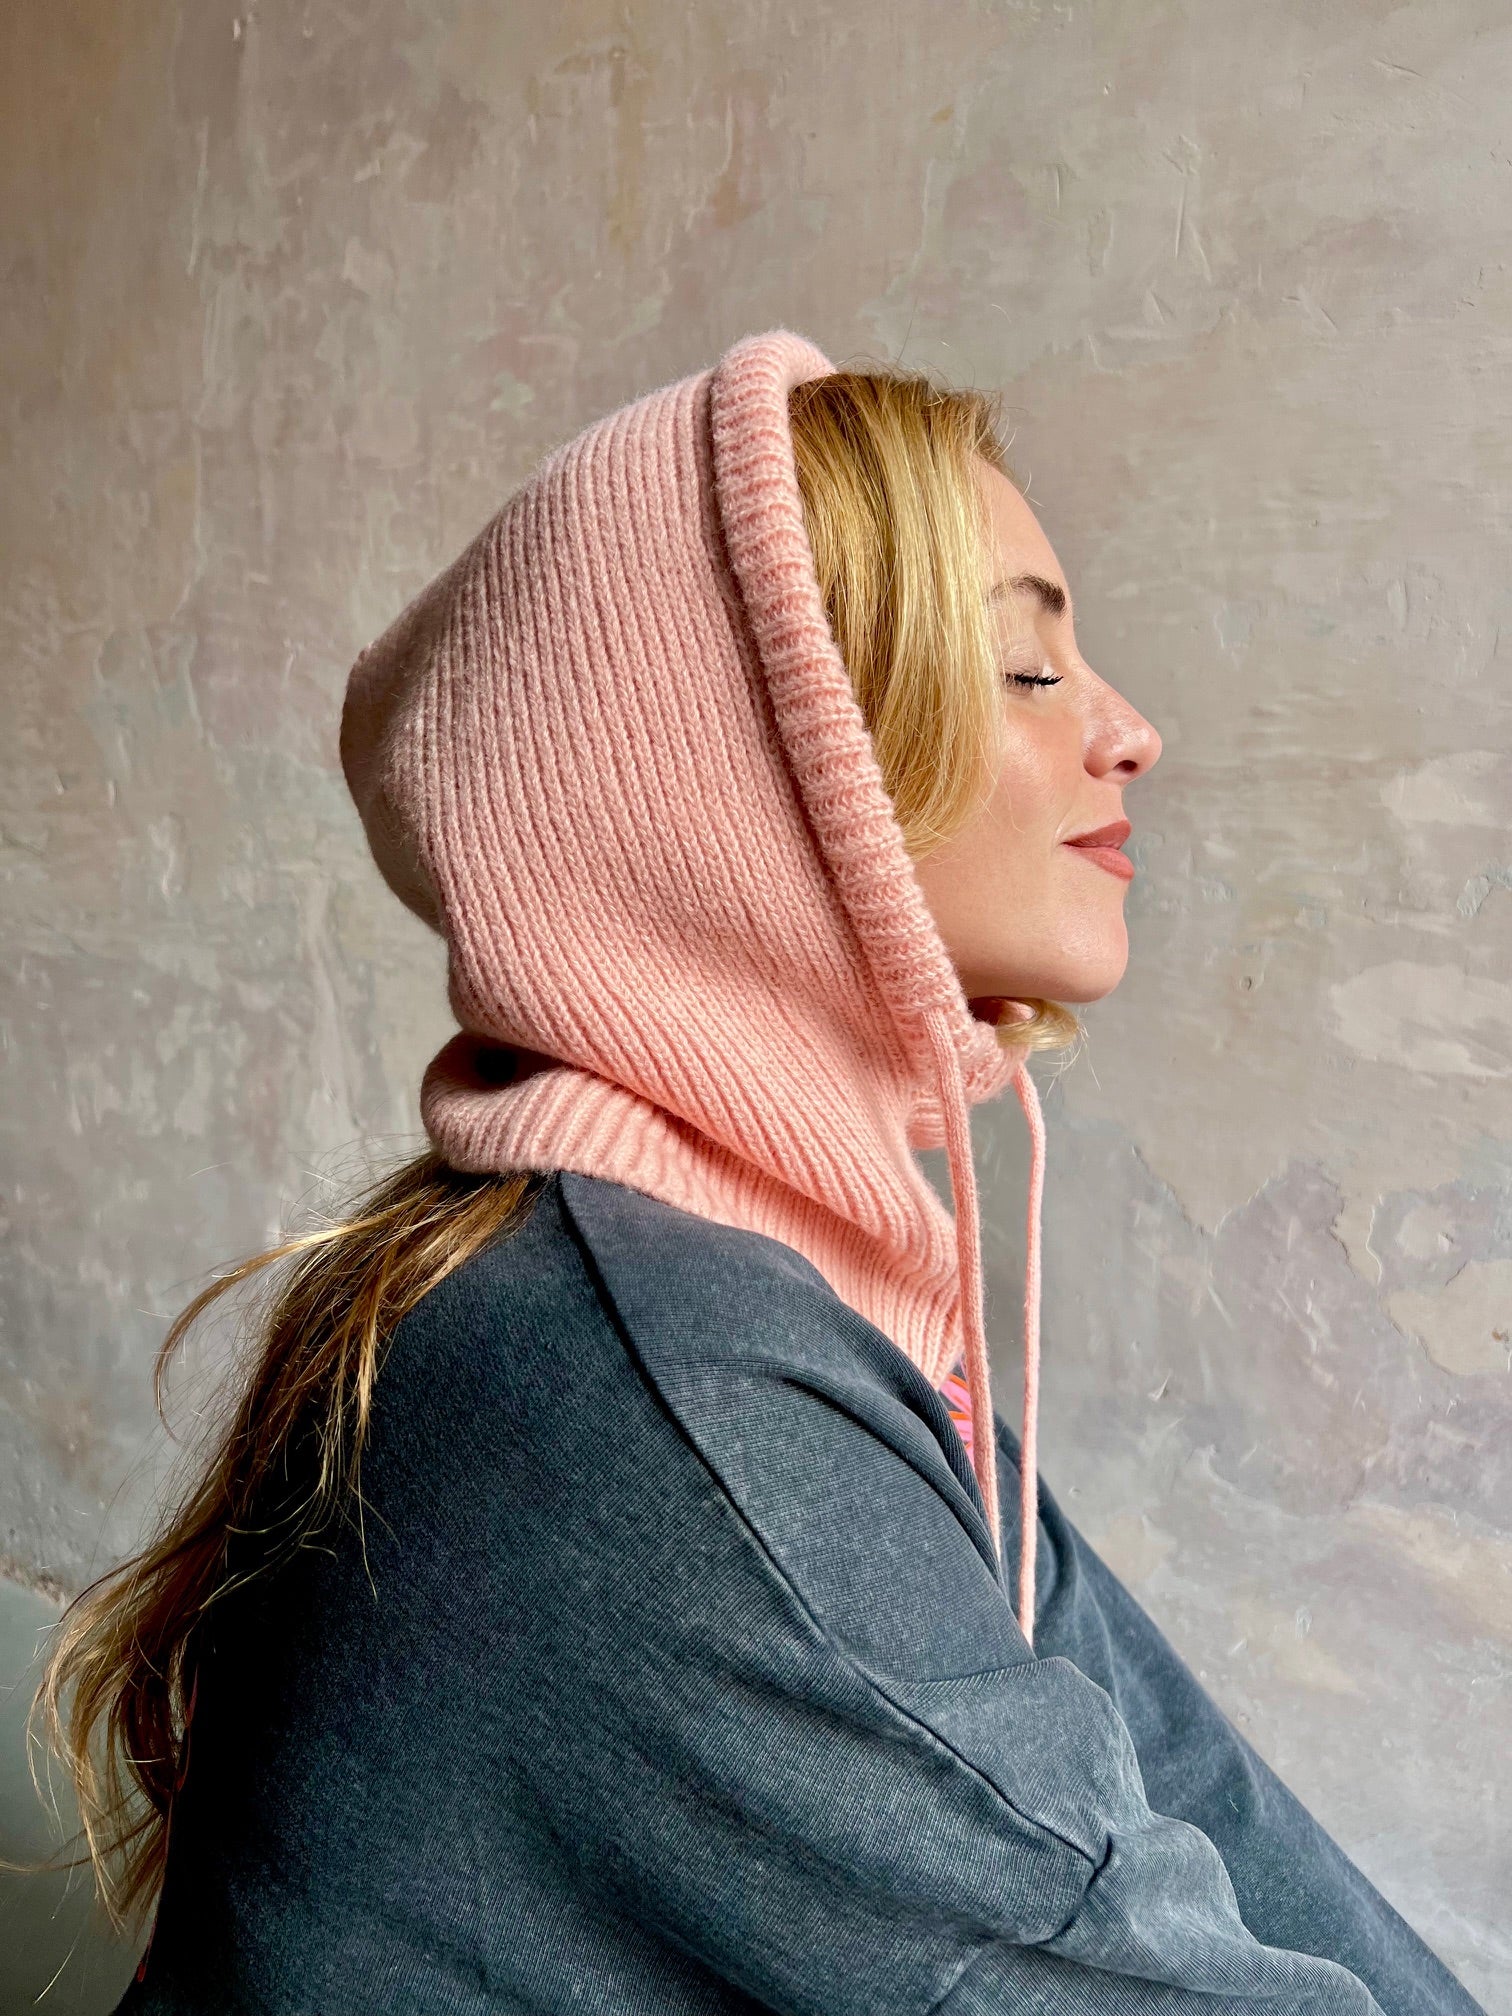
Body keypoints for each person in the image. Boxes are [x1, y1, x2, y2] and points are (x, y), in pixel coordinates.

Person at [34, 329, 1481, 2014]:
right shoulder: (661, 1396)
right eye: (1026, 670)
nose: (1132, 730)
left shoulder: (756, 1300)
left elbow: (1207, 1810)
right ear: (760, 782)